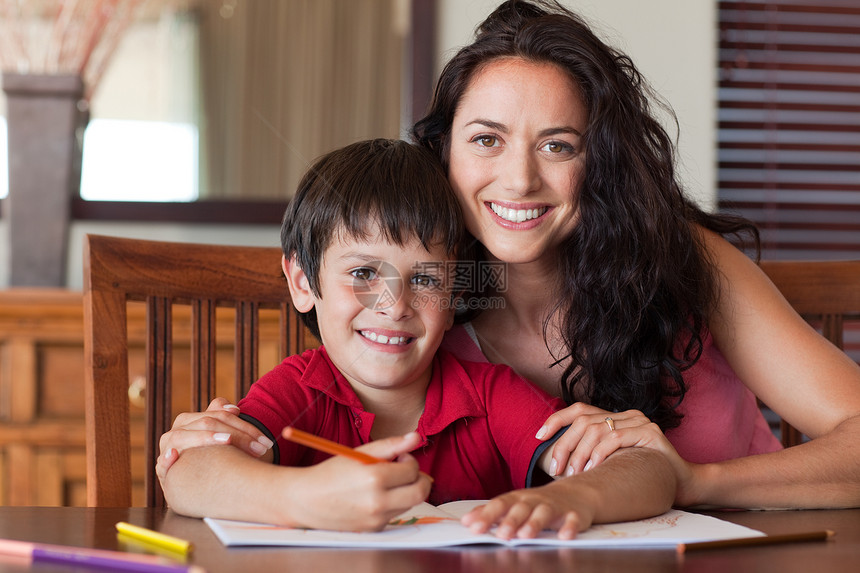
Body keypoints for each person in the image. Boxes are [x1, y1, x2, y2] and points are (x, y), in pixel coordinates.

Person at [160, 0, 860, 512]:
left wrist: (697, 480)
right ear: (442, 152)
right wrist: (212, 447)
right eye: (487, 139)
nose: (520, 179)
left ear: (600, 163)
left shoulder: (678, 262)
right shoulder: (425, 298)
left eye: (558, 145)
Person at [159, 138, 675, 538]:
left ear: (455, 297)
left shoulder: (489, 396)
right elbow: (189, 472)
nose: (395, 304)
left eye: (426, 279)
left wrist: (573, 499)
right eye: (363, 273)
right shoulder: (299, 390)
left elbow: (649, 469)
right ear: (302, 282)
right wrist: (302, 497)